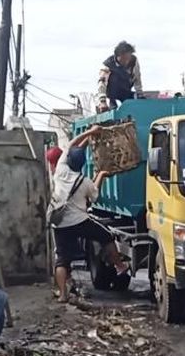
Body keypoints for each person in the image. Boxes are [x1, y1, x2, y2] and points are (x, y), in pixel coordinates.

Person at [50, 125, 127, 303]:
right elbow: (94, 196)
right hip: (79, 221)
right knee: (106, 236)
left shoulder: (60, 169)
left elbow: (72, 145)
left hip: (59, 222)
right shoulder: (83, 181)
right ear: (82, 165)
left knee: (62, 259)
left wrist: (90, 132)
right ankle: (120, 265)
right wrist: (101, 174)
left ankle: (62, 294)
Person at [96, 41, 143, 111]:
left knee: (137, 103)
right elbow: (102, 83)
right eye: (124, 59)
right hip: (112, 93)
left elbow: (137, 78)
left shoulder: (134, 61)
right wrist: (103, 101)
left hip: (126, 90)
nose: (126, 62)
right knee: (114, 78)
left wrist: (140, 94)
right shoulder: (108, 65)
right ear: (118, 56)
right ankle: (112, 105)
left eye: (128, 58)